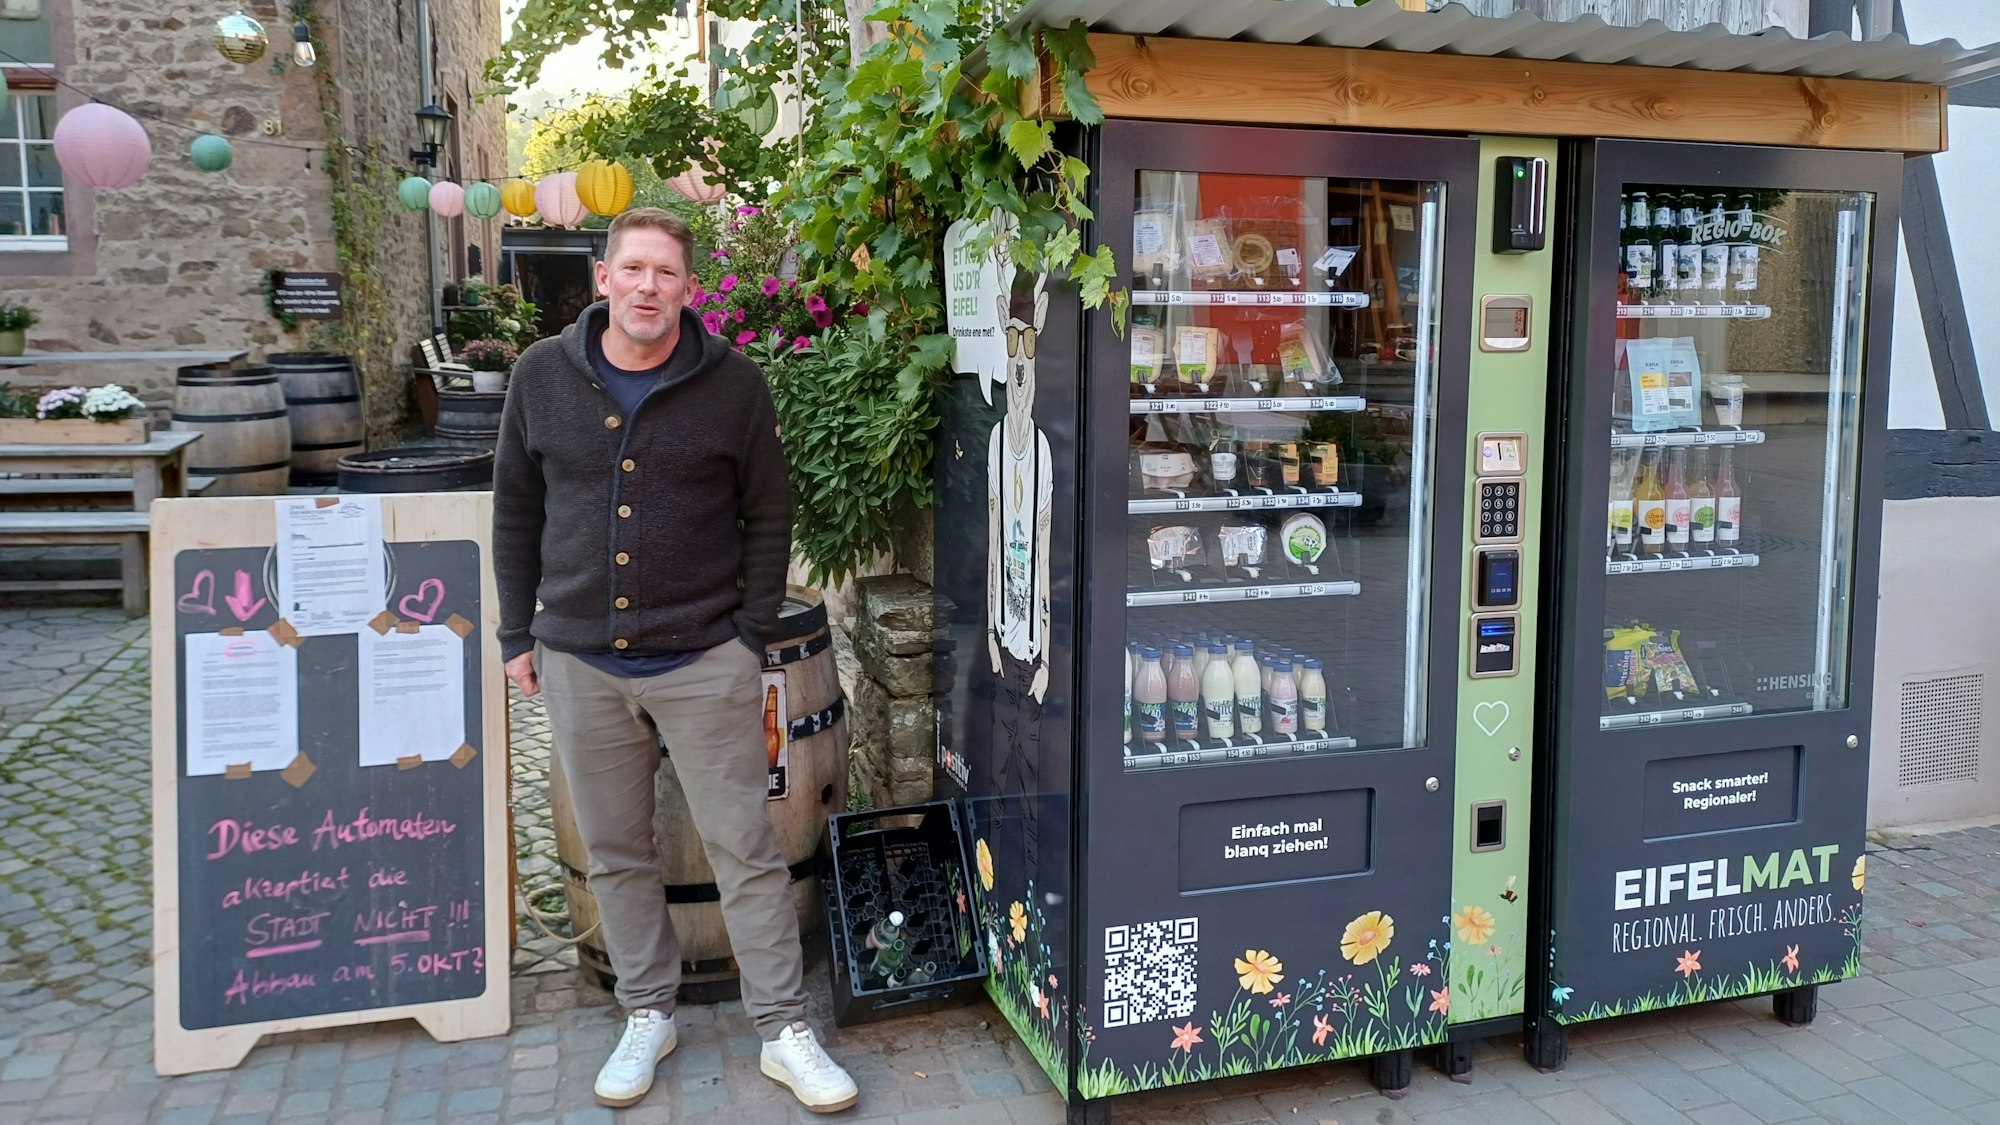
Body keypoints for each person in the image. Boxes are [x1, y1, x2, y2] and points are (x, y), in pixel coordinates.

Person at [492, 207, 858, 1113]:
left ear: (688, 289)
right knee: (617, 850)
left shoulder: (733, 384)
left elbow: (769, 511)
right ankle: (647, 1011)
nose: (648, 286)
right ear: (603, 277)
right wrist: (515, 635)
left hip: (705, 657)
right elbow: (515, 511)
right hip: (580, 658)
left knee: (746, 847)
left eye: (666, 272)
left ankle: (782, 1028)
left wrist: (750, 632)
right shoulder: (541, 375)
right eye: (633, 268)